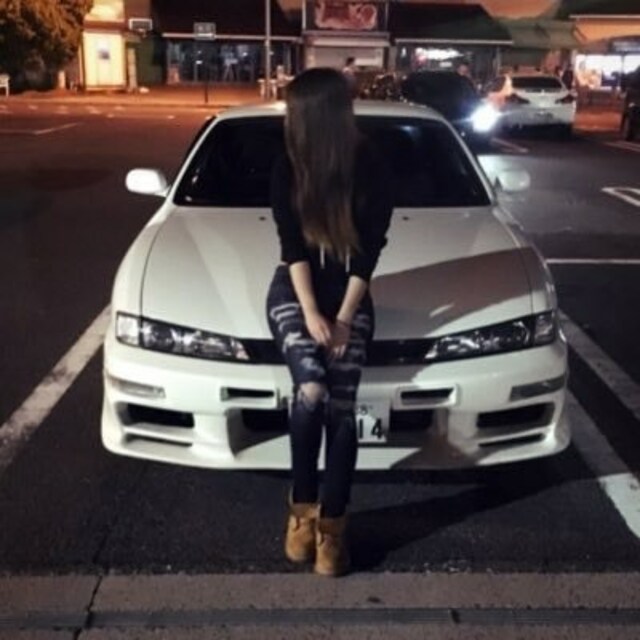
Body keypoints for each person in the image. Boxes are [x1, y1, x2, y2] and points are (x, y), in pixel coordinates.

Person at [266, 67, 393, 577]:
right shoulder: (287, 165)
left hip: (349, 297)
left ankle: (332, 529)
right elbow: (291, 248)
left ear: (313, 117)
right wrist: (311, 313)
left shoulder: (372, 165)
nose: (288, 118)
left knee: (341, 405)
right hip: (295, 290)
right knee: (312, 389)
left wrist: (341, 319)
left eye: (293, 110)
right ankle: (302, 511)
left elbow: (369, 251)